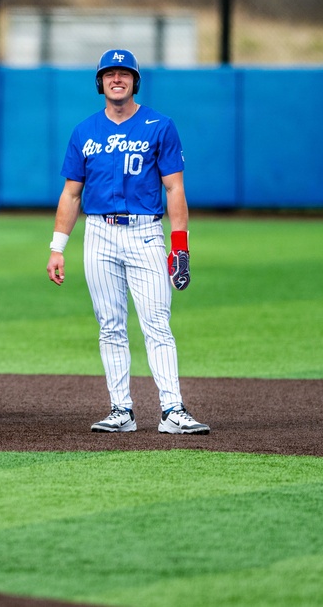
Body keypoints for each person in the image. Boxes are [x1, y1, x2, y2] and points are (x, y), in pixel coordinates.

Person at [46, 48, 209, 435]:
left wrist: (180, 246)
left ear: (135, 81)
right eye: (109, 74)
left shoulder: (160, 125)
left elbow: (175, 189)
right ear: (100, 82)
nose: (116, 79)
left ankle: (172, 409)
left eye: (124, 73)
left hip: (145, 233)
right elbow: (71, 194)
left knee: (157, 323)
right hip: (99, 233)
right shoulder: (85, 131)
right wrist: (57, 247)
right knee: (110, 324)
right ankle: (121, 410)